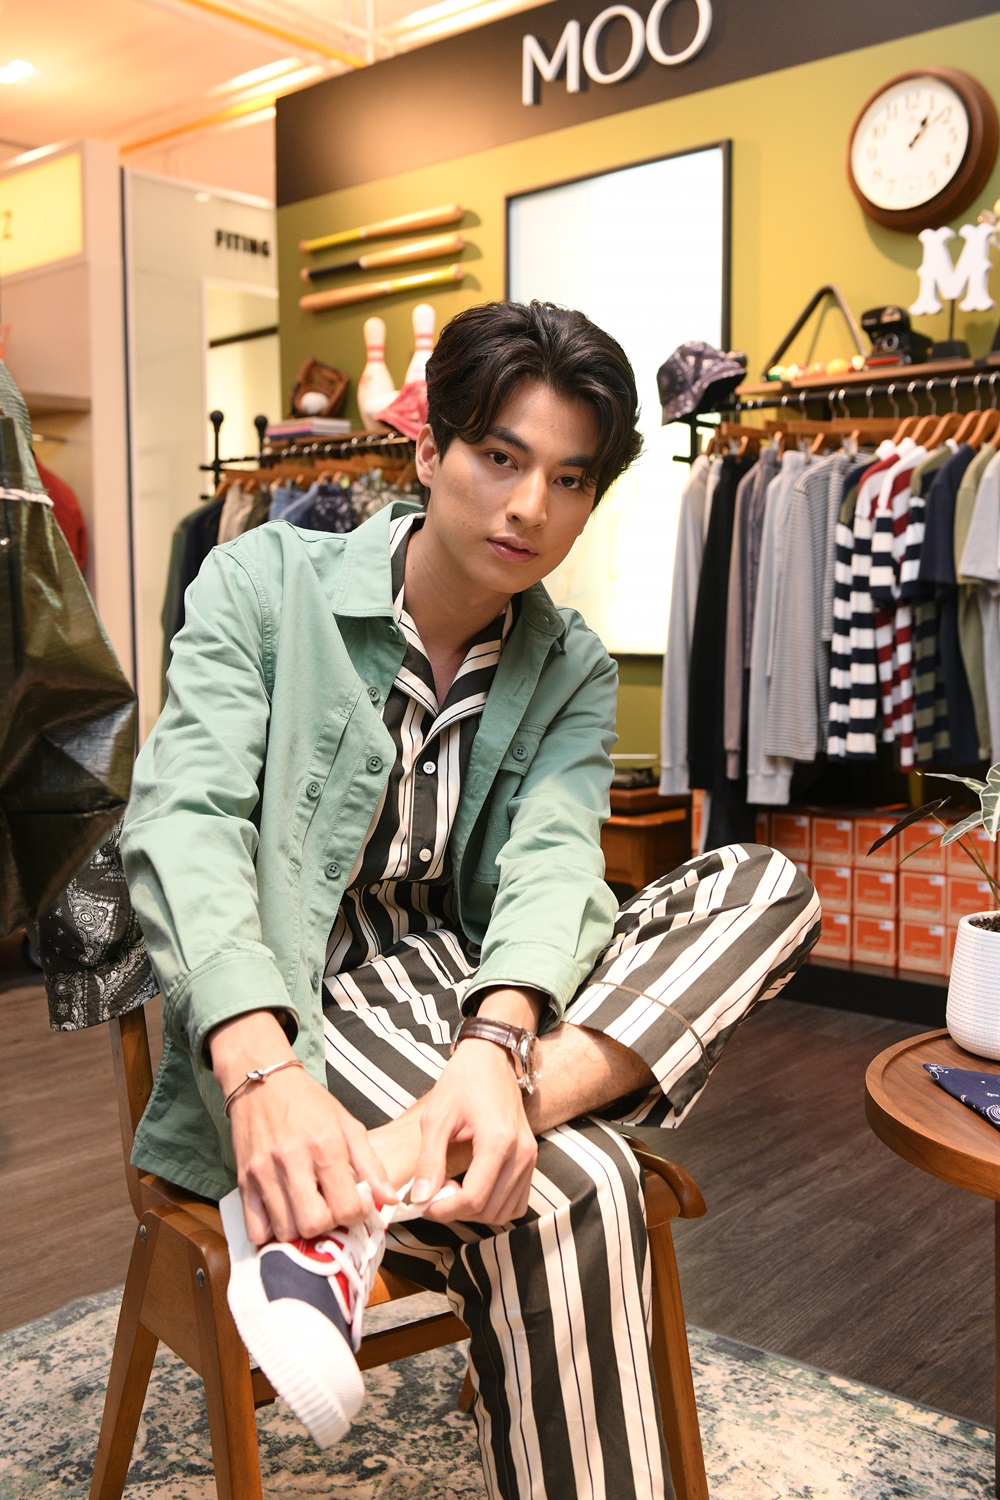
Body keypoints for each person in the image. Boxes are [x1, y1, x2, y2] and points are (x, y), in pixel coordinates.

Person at [121, 299, 820, 1499]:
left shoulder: (569, 663)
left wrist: (495, 1048)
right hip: (299, 1003)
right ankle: (385, 1165)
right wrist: (261, 1073)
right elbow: (184, 820)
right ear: (427, 449)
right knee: (580, 1184)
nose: (529, 506)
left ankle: (373, 1182)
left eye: (568, 478)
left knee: (768, 883)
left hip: (475, 1000)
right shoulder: (262, 582)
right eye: (500, 456)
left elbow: (552, 865)